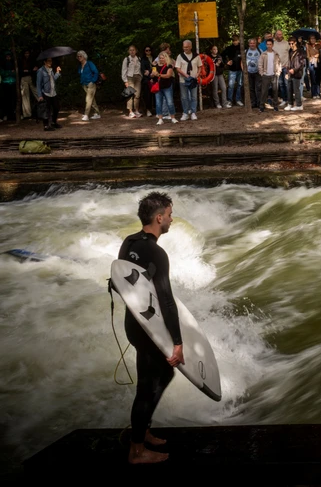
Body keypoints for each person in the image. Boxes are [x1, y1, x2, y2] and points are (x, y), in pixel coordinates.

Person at [118, 191, 184, 465]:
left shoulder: (129, 242)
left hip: (134, 324)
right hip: (148, 329)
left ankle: (142, 430)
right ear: (159, 218)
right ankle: (137, 450)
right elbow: (166, 299)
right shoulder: (157, 252)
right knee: (147, 385)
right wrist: (178, 342)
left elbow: (121, 281)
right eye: (169, 215)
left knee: (163, 375)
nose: (171, 219)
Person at [175, 40, 201, 121]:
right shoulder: (180, 56)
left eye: (187, 47)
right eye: (184, 47)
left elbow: (200, 66)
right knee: (184, 97)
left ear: (190, 47)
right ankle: (185, 113)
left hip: (193, 79)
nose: (185, 48)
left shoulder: (196, 56)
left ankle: (193, 112)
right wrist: (185, 75)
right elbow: (177, 68)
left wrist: (197, 74)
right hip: (183, 80)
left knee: (194, 97)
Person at [35, 57, 61, 131]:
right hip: (46, 93)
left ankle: (53, 122)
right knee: (46, 110)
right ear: (45, 62)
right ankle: (46, 126)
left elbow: (53, 80)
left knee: (57, 107)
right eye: (49, 61)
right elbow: (38, 84)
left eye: (51, 61)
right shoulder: (41, 71)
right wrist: (40, 95)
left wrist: (57, 73)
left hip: (53, 92)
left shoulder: (51, 70)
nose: (50, 62)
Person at [76, 50, 101, 121]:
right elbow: (80, 74)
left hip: (91, 84)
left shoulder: (89, 63)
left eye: (80, 56)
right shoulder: (80, 65)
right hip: (84, 84)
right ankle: (97, 113)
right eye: (78, 56)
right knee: (91, 99)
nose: (79, 57)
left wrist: (92, 81)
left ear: (84, 56)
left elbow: (96, 72)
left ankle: (86, 114)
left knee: (88, 99)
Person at [122, 45, 143, 118]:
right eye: (130, 50)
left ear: (136, 51)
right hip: (130, 77)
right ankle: (130, 111)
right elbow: (124, 70)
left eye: (133, 50)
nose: (132, 51)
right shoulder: (126, 59)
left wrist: (141, 76)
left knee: (137, 95)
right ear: (128, 51)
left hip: (138, 77)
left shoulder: (139, 59)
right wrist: (125, 81)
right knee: (130, 94)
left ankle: (136, 110)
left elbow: (141, 69)